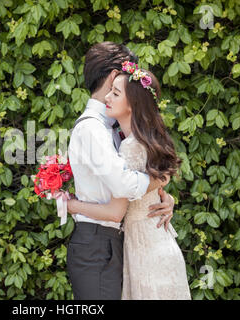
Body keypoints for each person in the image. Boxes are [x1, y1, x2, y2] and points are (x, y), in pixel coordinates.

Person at [68, 61, 191, 300]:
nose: (108, 98)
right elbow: (156, 181)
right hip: (156, 245)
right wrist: (164, 189)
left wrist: (71, 205)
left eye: (115, 93)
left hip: (145, 250)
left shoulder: (129, 147)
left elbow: (116, 210)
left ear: (133, 104)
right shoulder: (140, 140)